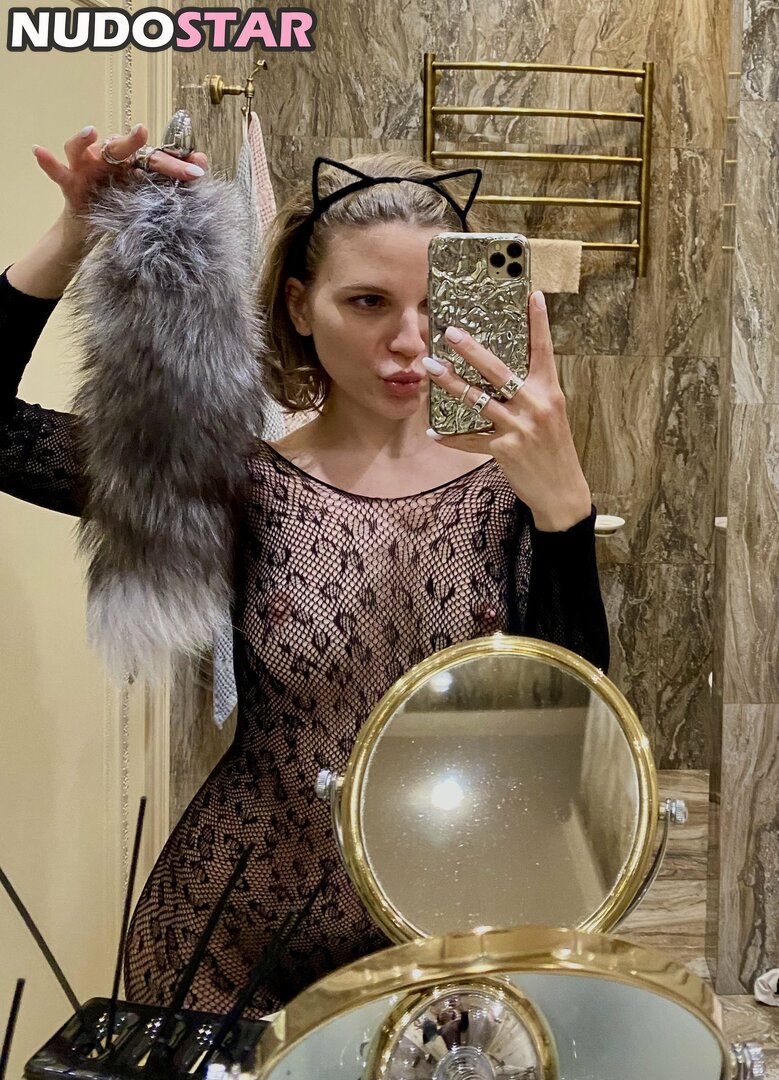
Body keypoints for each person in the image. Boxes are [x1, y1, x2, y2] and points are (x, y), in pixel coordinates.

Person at [0, 124, 609, 1015]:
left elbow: (571, 746)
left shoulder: (515, 491)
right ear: (297, 305)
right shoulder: (231, 478)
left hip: (446, 946)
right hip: (226, 945)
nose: (409, 341)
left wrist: (565, 513)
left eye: (434, 305)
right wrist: (74, 233)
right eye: (367, 302)